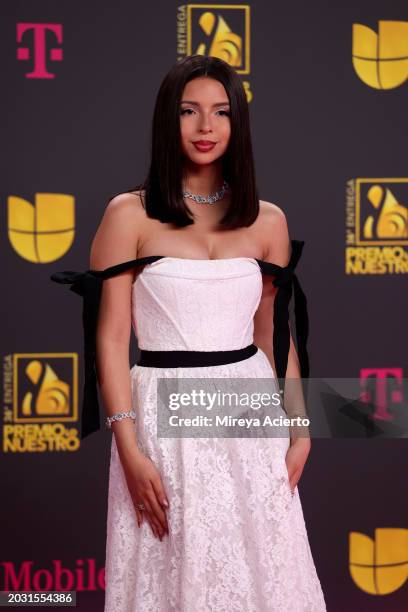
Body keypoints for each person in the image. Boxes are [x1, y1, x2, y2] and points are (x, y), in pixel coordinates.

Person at [51, 55, 326, 611]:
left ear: (238, 123)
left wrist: (301, 427)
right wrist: (128, 447)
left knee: (264, 576)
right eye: (189, 111)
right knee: (171, 575)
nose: (206, 128)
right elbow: (110, 338)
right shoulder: (129, 215)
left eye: (221, 113)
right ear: (166, 120)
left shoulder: (267, 220)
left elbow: (275, 337)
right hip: (163, 420)